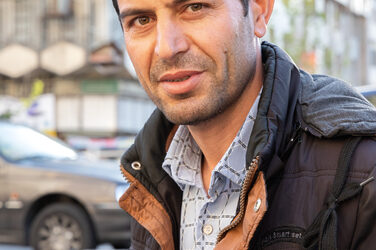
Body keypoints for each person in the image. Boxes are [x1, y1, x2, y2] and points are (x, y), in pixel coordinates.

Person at [112, 0, 376, 249]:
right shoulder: (148, 173)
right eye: (141, 20)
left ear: (259, 10)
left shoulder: (363, 171)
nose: (167, 48)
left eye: (194, 7)